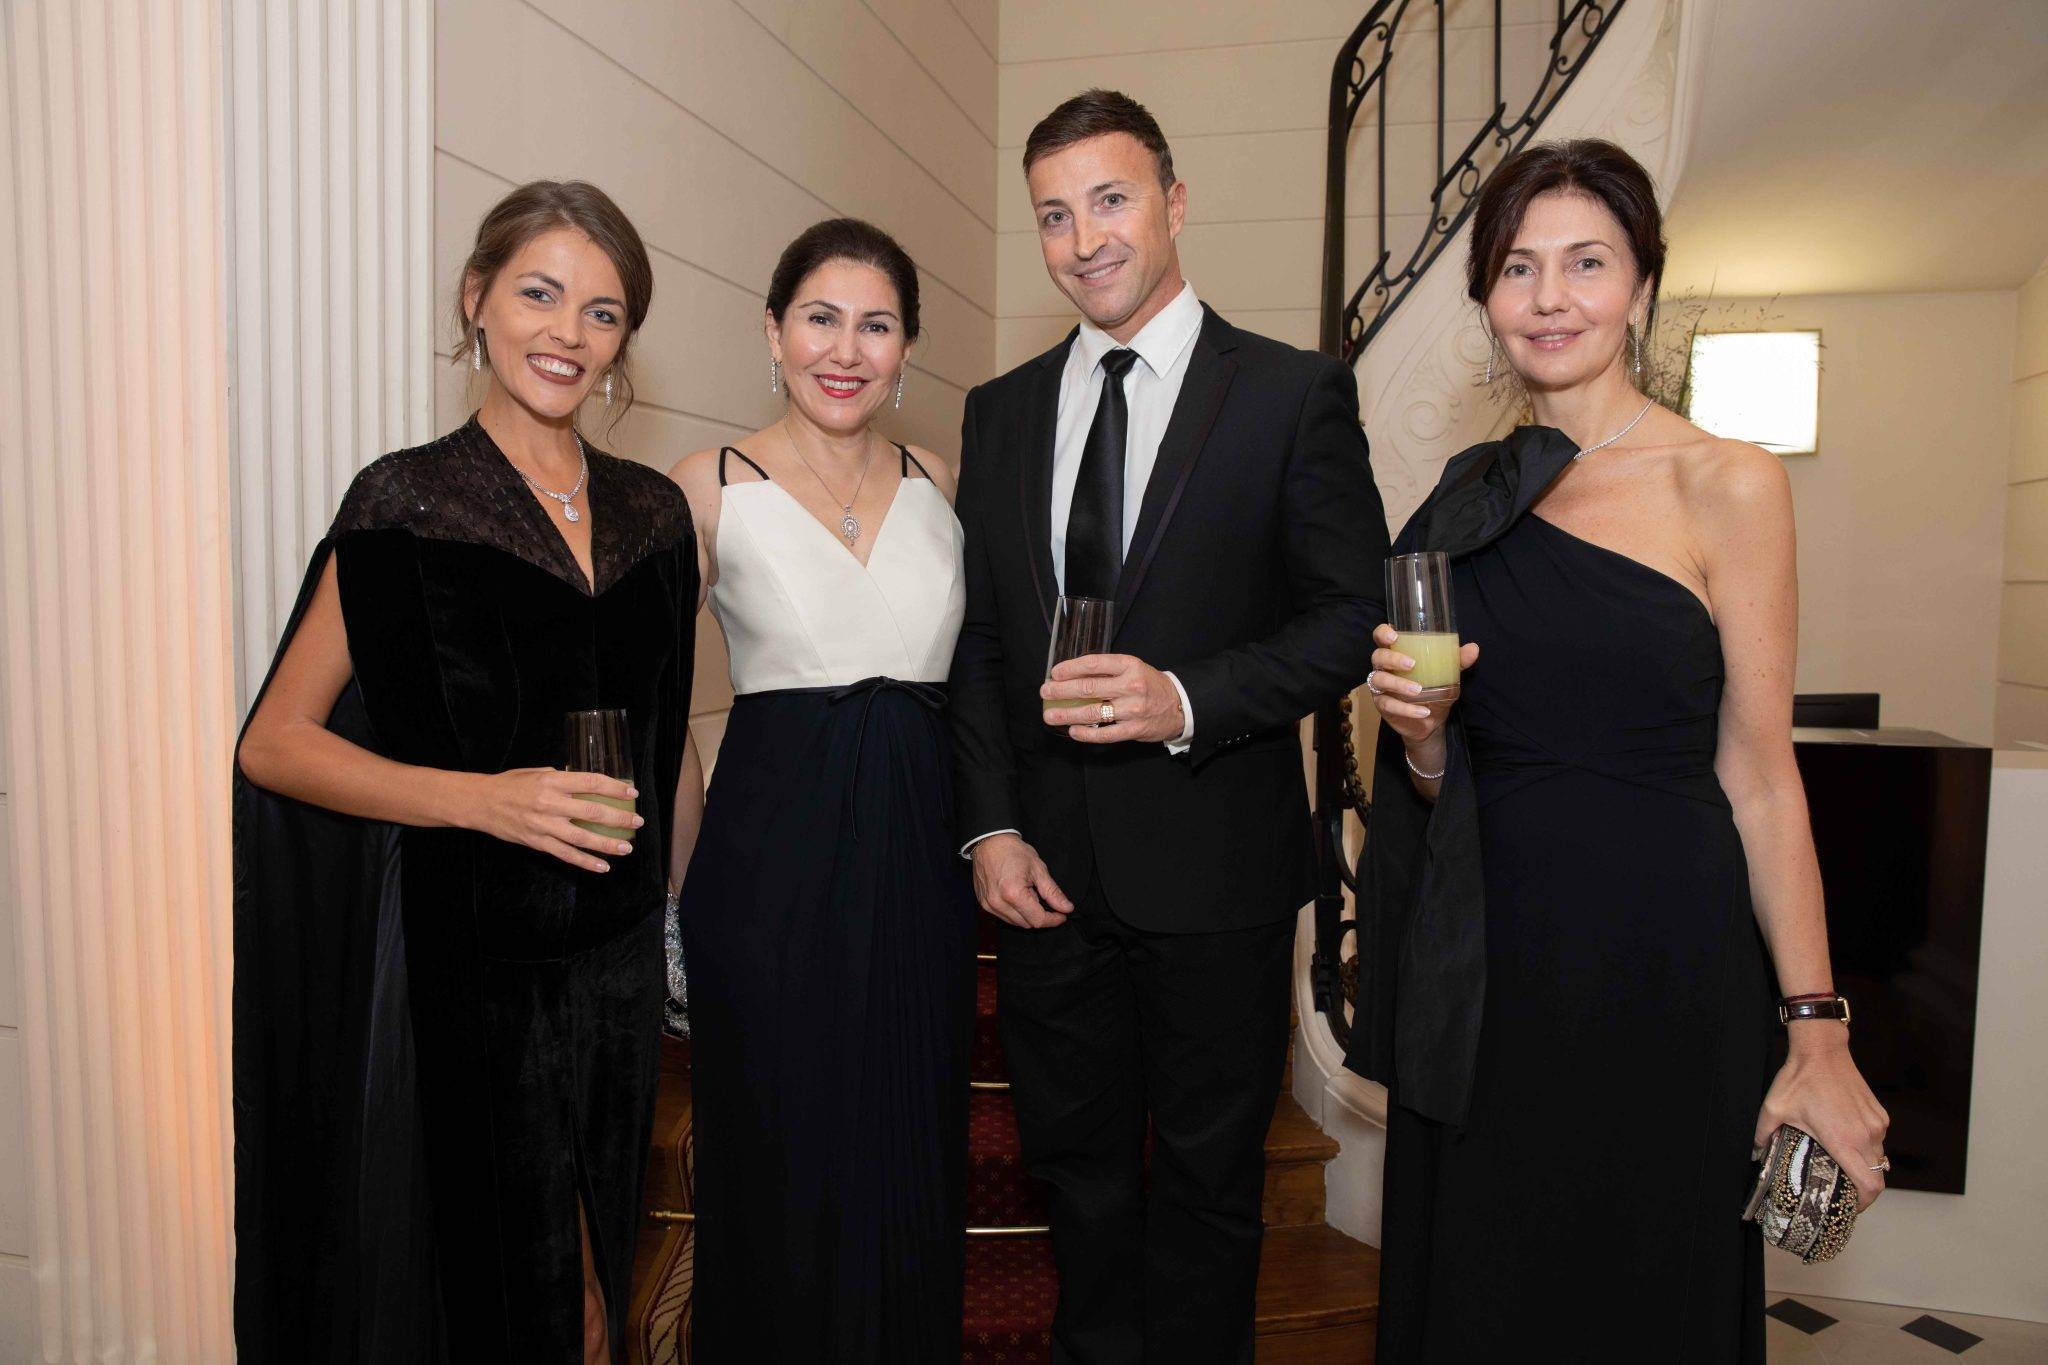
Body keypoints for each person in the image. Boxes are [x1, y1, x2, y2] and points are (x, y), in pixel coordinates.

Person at [1347, 139, 1890, 1360]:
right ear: (1486, 297)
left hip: (1665, 972)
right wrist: (1420, 738)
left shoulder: (1727, 481)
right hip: (1487, 971)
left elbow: (1758, 775)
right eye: (1517, 268)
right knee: (1484, 1290)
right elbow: (1437, 775)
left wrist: (1814, 1024)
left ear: (1641, 284)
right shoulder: (1459, 498)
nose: (1549, 298)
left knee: (1644, 1288)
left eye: (1585, 263)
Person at [947, 89, 1386, 1363]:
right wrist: (986, 825)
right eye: (1052, 214)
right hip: (1045, 879)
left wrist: (1185, 698)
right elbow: (977, 641)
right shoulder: (1002, 409)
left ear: (1174, 201)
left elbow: (1346, 616)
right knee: (1073, 1176)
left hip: (1216, 869)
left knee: (1205, 1187)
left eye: (1111, 198)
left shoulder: (1294, 393)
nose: (1085, 237)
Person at [234, 181, 696, 1364]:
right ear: (476, 301)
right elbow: (275, 741)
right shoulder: (408, 503)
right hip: (472, 970)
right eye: (539, 294)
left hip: (618, 965)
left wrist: (684, 918)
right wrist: (486, 800)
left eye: (602, 312)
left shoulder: (651, 514)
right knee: (509, 1297)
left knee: (603, 1276)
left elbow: (666, 737)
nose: (567, 333)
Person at [667, 218, 975, 1362]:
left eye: (877, 324)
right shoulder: (705, 485)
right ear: (772, 330)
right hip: (767, 863)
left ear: (906, 348)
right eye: (820, 317)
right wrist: (671, 899)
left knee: (907, 1141)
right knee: (778, 1152)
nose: (845, 349)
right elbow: (650, 713)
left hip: (917, 858)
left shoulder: (941, 479)